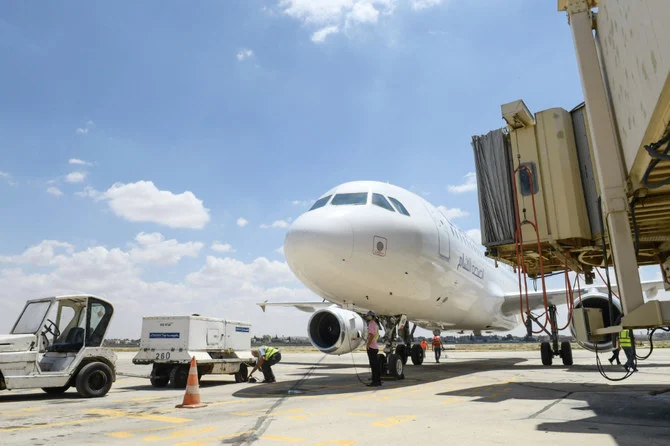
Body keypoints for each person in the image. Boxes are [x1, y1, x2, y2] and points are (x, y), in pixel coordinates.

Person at [365, 310, 381, 387]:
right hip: (375, 346)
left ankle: (375, 382)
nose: (367, 317)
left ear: (371, 317)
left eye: (368, 316)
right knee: (376, 366)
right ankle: (378, 381)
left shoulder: (371, 324)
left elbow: (371, 335)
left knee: (373, 366)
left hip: (371, 347)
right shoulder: (376, 324)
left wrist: (368, 345)